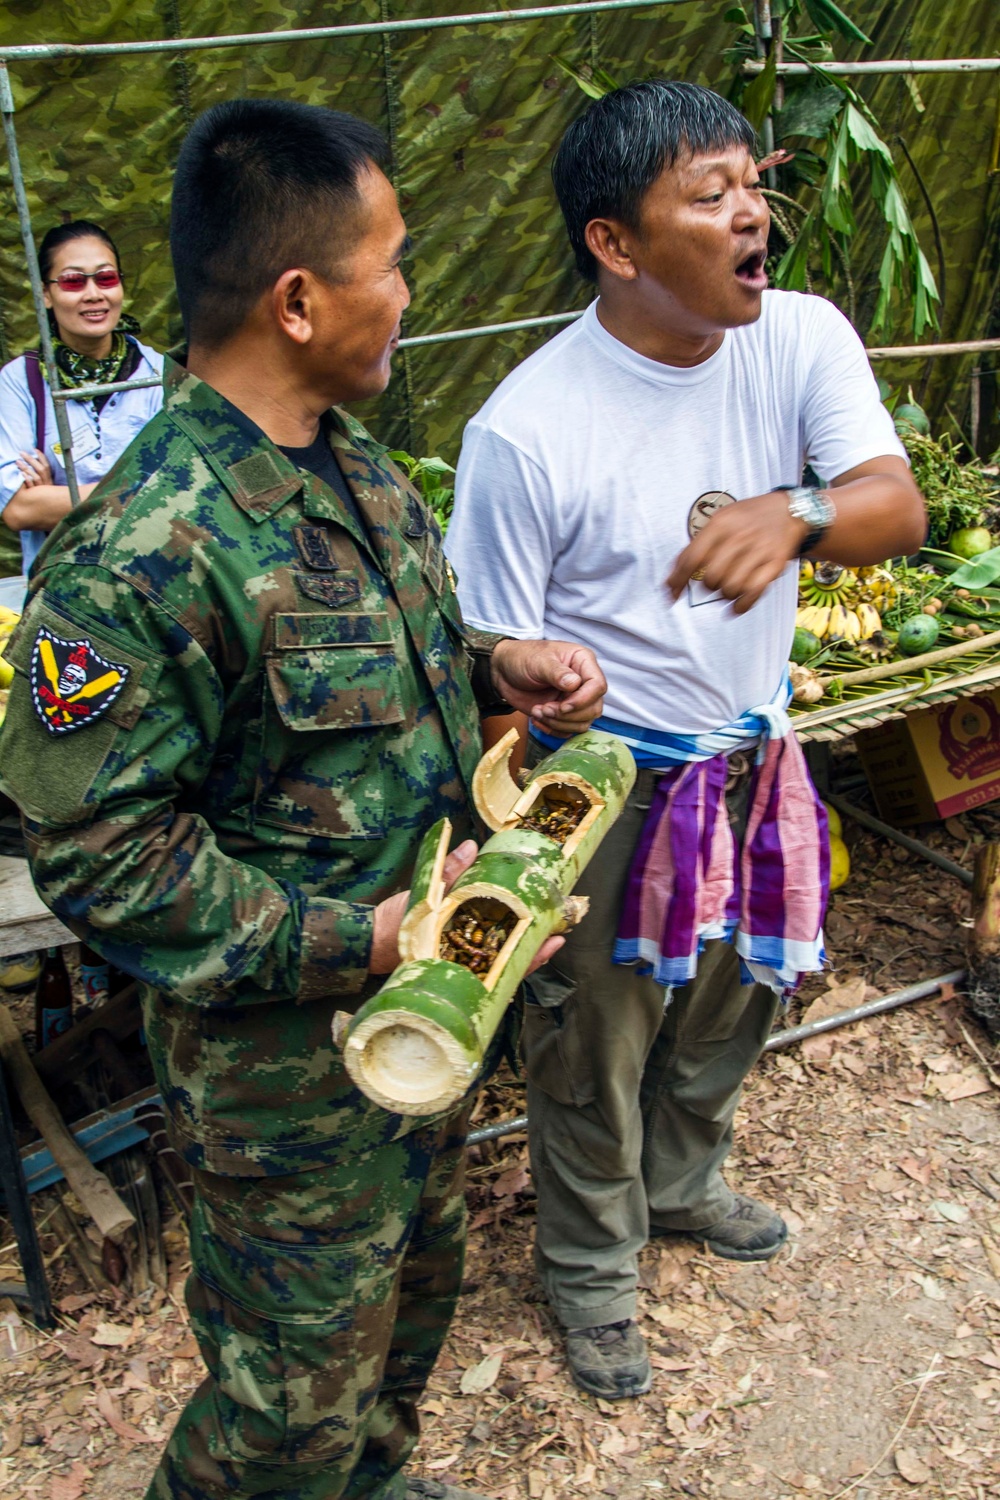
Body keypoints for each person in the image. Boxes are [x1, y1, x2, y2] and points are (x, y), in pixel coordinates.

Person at [0, 100, 606, 1500]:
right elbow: (98, 849)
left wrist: (494, 665)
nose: (407, 292)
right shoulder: (143, 546)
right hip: (288, 1086)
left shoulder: (360, 472)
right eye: (390, 262)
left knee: (401, 1335)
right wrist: (367, 942)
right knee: (280, 1418)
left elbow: (361, 663)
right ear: (296, 297)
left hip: (428, 1029)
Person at [445, 80, 926, 1401]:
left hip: (756, 758)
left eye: (749, 184)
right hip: (607, 786)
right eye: (706, 196)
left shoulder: (799, 339)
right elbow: (486, 660)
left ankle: (682, 1181)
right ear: (616, 242)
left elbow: (896, 505)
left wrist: (800, 511)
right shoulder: (528, 430)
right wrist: (530, 777)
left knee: (740, 991)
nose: (749, 215)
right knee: (592, 1040)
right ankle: (592, 1268)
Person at [0, 219, 163, 573]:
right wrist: (141, 487)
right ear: (46, 293)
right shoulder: (20, 381)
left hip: (151, 586)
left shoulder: (159, 374)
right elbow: (18, 510)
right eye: (74, 281)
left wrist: (54, 498)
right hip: (60, 588)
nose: (93, 294)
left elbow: (182, 496)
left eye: (106, 278)